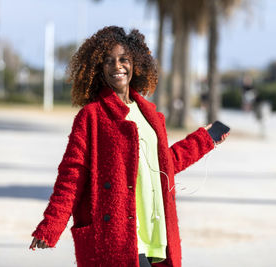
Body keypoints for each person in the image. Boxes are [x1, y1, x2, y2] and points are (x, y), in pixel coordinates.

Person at [29, 26, 228, 267]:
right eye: (109, 61)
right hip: (118, 236)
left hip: (156, 234)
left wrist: (204, 139)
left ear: (136, 64)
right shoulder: (91, 116)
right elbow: (72, 175)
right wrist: (51, 225)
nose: (117, 66)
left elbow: (164, 163)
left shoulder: (151, 115)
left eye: (124, 59)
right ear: (99, 69)